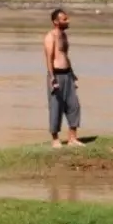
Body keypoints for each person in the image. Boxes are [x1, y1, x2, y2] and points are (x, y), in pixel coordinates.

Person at [44, 8, 83, 148]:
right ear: (56, 21)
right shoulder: (50, 36)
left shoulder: (64, 36)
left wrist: (72, 73)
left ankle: (72, 138)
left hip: (67, 75)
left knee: (74, 106)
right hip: (56, 75)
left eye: (67, 18)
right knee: (56, 107)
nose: (68, 21)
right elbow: (49, 58)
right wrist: (52, 78)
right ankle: (55, 140)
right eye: (64, 19)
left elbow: (65, 56)